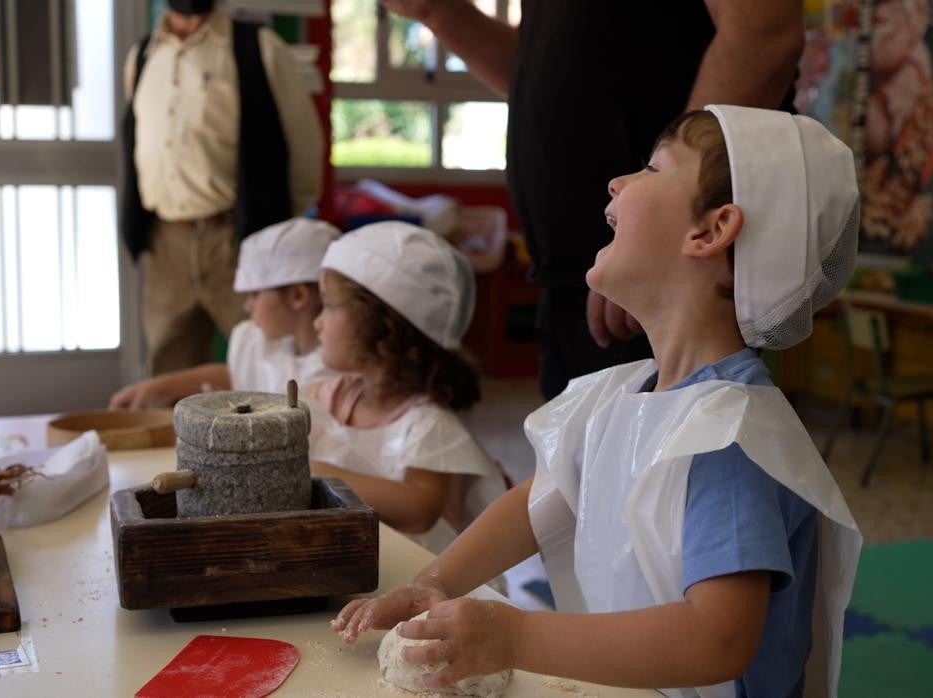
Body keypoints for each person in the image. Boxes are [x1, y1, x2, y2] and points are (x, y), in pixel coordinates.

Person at [330, 107, 864, 697]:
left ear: (711, 231)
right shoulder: (621, 395)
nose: (617, 182)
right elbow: (539, 502)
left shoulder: (728, 434)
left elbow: (718, 639)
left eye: (653, 168)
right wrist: (437, 581)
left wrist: (514, 637)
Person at [380, 0, 805, 398]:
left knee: (663, 469)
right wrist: (440, 13)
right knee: (576, 466)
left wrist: (654, 241)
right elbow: (560, 76)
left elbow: (763, 33)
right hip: (575, 275)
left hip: (664, 272)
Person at [121, 0, 323, 375]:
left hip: (238, 240)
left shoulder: (259, 47)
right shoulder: (143, 55)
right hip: (167, 246)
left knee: (270, 366)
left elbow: (305, 147)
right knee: (168, 369)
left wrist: (274, 236)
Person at [305, 222, 508, 554]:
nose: (318, 321)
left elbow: (419, 509)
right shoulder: (329, 394)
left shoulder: (429, 425)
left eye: (328, 304)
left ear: (377, 322)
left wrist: (320, 473)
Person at [109, 218, 339, 409]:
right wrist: (154, 388)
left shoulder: (336, 369)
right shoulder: (260, 342)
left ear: (298, 296)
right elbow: (235, 373)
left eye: (255, 295)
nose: (248, 306)